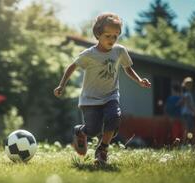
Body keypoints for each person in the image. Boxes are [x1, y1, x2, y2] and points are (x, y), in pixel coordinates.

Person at [53, 13, 151, 164]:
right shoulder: (89, 54)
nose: (112, 40)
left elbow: (127, 68)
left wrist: (139, 80)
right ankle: (80, 131)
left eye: (115, 36)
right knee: (93, 130)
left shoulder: (119, 51)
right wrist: (61, 85)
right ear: (98, 34)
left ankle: (102, 149)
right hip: (90, 99)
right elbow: (72, 67)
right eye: (108, 36)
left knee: (114, 117)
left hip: (111, 95)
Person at [180, 76, 195, 144]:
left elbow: (181, 103)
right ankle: (188, 144)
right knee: (189, 130)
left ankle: (189, 144)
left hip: (186, 114)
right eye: (188, 84)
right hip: (187, 114)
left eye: (190, 84)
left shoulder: (186, 94)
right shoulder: (187, 94)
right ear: (185, 85)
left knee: (188, 130)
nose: (190, 85)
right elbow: (189, 105)